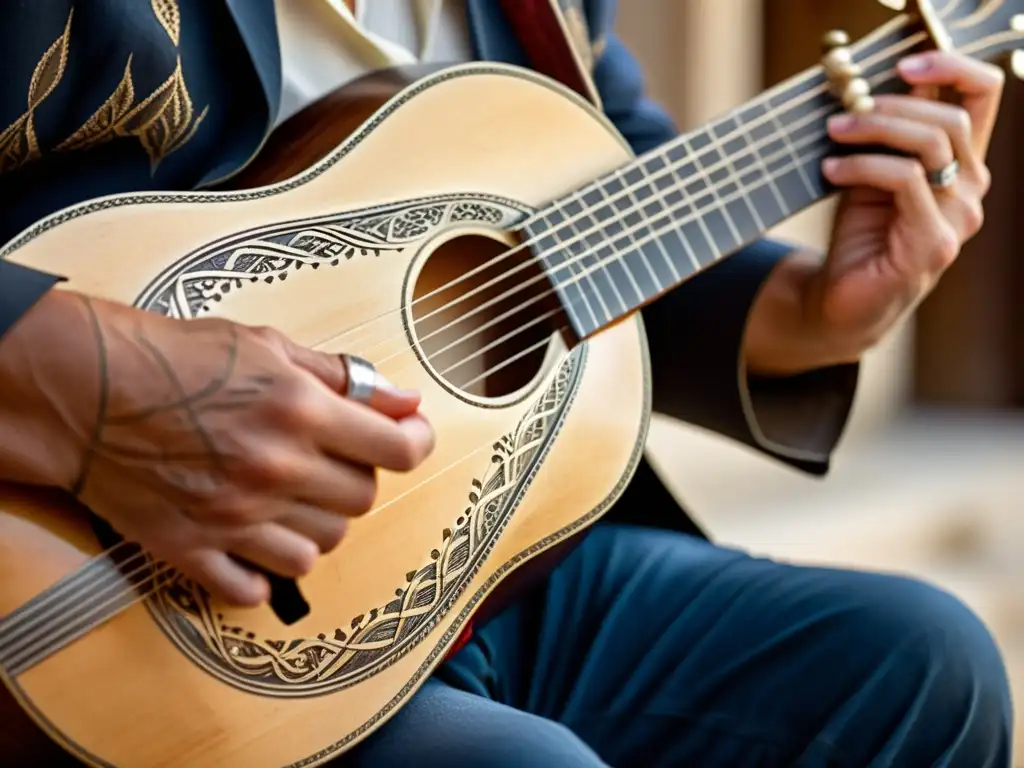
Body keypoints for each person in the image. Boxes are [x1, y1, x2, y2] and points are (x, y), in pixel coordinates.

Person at [0, 1, 1013, 765]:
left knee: (921, 668)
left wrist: (805, 314)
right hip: (108, 588)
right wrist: (90, 392)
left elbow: (592, 166)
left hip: (455, 545)